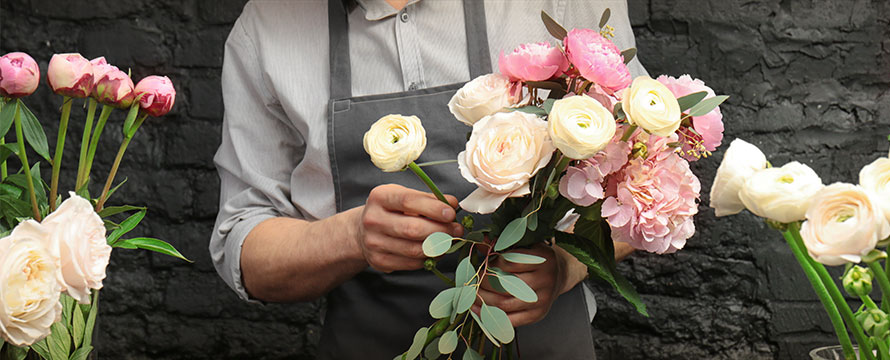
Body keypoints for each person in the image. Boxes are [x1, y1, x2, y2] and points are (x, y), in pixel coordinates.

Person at [211, 0, 647, 358]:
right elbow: (244, 247)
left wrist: (564, 266)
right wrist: (351, 237)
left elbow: (650, 183)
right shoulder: (266, 28)